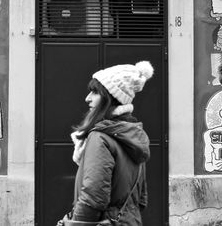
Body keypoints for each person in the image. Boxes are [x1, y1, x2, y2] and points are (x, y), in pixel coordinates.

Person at [60, 61, 154, 225]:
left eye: (95, 92)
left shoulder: (101, 137)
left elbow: (93, 197)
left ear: (111, 98)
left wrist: (76, 223)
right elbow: (142, 198)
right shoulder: (134, 135)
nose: (87, 98)